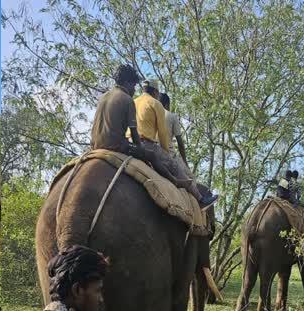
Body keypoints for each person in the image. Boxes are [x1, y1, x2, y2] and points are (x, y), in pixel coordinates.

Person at [133, 79, 217, 209]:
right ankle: (200, 199)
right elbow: (162, 134)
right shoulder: (156, 104)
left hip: (130, 143)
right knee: (176, 168)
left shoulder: (134, 102)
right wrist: (166, 153)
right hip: (147, 144)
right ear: (155, 92)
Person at [90, 63, 145, 159]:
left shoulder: (103, 97)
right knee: (152, 155)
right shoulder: (127, 99)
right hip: (116, 146)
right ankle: (170, 175)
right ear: (127, 82)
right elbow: (134, 133)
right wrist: (140, 149)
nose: (134, 90)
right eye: (134, 85)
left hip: (95, 146)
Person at [159, 93, 187, 165]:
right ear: (167, 105)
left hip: (151, 150)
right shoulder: (172, 116)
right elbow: (180, 143)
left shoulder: (151, 113)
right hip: (168, 155)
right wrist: (185, 162)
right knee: (189, 176)